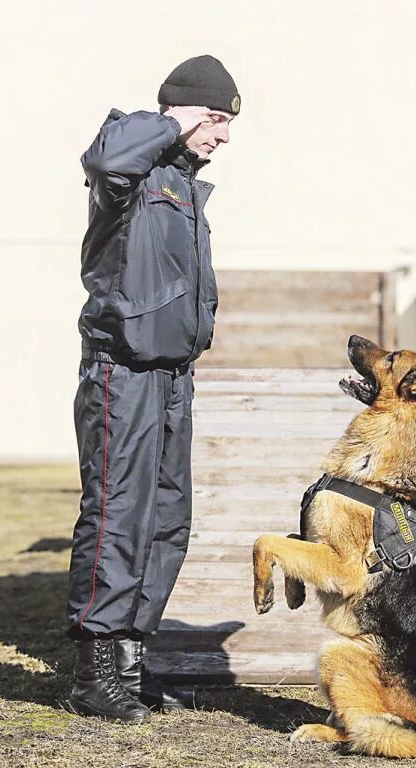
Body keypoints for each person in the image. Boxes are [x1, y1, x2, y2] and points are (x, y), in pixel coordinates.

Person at [66, 55, 240, 723]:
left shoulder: (182, 185)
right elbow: (106, 157)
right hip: (122, 371)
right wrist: (170, 121)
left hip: (172, 376)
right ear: (183, 110)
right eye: (216, 119)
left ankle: (132, 664)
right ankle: (95, 673)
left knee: (166, 519)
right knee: (118, 516)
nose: (223, 137)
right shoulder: (132, 170)